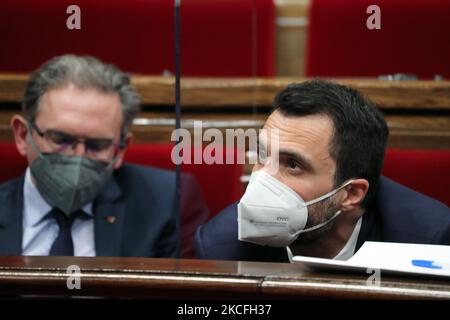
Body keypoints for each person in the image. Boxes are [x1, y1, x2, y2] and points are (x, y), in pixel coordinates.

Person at [195, 79, 450, 262]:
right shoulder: (222, 246)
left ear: (351, 193)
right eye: (263, 156)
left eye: (293, 165)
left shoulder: (428, 242)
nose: (264, 178)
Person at [0, 54, 207, 257]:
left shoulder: (167, 203)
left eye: (96, 145)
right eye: (60, 139)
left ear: (120, 150)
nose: (78, 156)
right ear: (22, 135)